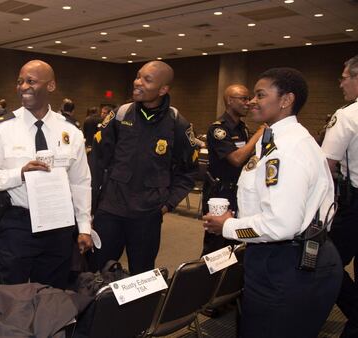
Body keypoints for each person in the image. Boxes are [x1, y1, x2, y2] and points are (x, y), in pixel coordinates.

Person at [203, 67, 343, 338]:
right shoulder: (280, 140)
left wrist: (228, 226)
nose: (252, 101)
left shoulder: (285, 150)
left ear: (286, 100)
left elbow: (281, 225)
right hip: (291, 255)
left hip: (286, 263)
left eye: (260, 94)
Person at [0, 60, 93, 289]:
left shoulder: (70, 130)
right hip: (17, 223)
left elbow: (80, 182)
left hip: (58, 223)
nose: (23, 87)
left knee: (52, 293)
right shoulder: (0, 128)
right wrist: (19, 173)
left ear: (50, 86)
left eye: (31, 81)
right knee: (12, 294)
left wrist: (84, 227)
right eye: (20, 82)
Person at [90, 61, 198, 275]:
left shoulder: (177, 123)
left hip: (147, 214)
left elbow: (189, 170)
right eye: (138, 76)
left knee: (142, 275)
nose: (137, 82)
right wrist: (92, 205)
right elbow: (97, 160)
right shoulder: (120, 114)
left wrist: (167, 204)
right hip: (110, 209)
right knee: (99, 271)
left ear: (163, 89)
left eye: (146, 80)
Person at [201, 84, 265, 256]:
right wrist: (257, 136)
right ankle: (207, 280)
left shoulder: (242, 128)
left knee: (234, 239)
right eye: (243, 98)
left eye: (249, 98)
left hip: (237, 190)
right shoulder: (218, 129)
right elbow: (236, 159)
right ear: (230, 101)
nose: (249, 102)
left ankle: (228, 281)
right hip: (220, 192)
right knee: (216, 244)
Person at [321, 54, 358, 337]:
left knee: (327, 264)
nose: (341, 83)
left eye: (344, 77)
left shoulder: (347, 115)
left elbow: (326, 166)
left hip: (353, 205)